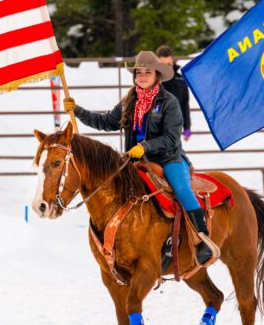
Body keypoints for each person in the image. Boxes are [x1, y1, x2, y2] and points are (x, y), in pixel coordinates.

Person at [63, 51, 213, 264]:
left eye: (147, 72)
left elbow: (171, 137)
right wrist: (77, 111)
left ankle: (203, 238)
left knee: (181, 189)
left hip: (167, 158)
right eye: (139, 72)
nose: (142, 76)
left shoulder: (169, 102)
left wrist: (145, 147)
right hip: (135, 160)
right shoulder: (129, 100)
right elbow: (107, 122)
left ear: (157, 75)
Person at [155, 45, 193, 141]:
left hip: (174, 127)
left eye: (168, 64)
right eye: (162, 64)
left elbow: (184, 104)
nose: (166, 67)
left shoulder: (180, 79)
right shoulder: (152, 80)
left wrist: (187, 127)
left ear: (172, 61)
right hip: (155, 128)